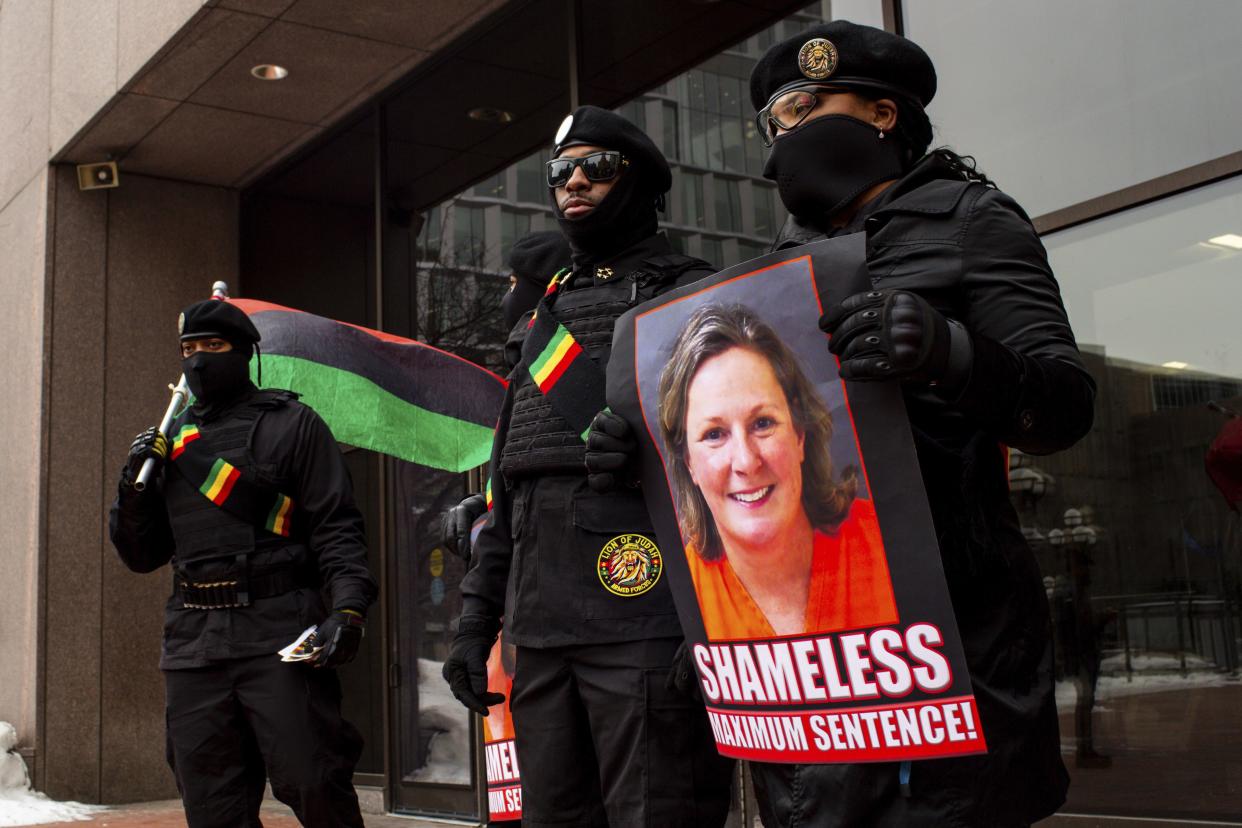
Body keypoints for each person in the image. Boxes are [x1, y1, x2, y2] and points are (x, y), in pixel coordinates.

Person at [747, 19, 1096, 827]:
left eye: (803, 107)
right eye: (773, 123)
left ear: (880, 114)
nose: (783, 136)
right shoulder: (772, 269)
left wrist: (953, 353)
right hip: (820, 656)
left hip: (953, 643)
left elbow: (1065, 406)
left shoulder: (973, 220)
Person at [442, 105, 734, 827]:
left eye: (597, 168)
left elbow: (742, 471)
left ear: (641, 184)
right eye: (561, 171)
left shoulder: (693, 295)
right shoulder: (545, 314)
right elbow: (509, 490)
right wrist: (477, 624)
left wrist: (708, 632)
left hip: (645, 624)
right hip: (541, 634)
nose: (574, 181)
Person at [109, 298, 377, 828]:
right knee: (212, 806)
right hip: (194, 644)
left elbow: (337, 528)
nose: (199, 360)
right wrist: (133, 491)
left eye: (214, 347)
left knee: (314, 782)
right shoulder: (171, 442)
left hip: (280, 631)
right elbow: (141, 556)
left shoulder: (294, 424)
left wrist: (348, 611)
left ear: (247, 354)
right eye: (189, 349)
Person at [657, 303, 896, 639]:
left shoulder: (891, 544)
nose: (746, 461)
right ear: (689, 464)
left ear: (799, 434)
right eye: (714, 434)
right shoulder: (681, 595)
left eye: (763, 423)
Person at [440, 230, 572, 567]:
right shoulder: (525, 373)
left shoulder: (559, 379)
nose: (505, 299)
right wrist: (482, 507)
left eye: (513, 285)